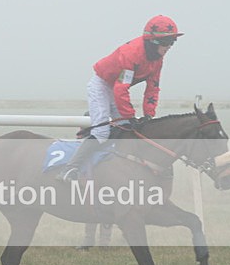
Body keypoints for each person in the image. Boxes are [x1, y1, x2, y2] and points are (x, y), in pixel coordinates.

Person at [58, 15, 183, 182]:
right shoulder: (131, 54)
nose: (170, 47)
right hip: (102, 86)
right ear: (152, 41)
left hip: (116, 88)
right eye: (167, 42)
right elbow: (121, 89)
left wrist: (148, 114)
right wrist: (130, 116)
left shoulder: (157, 60)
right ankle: (70, 169)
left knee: (127, 130)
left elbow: (152, 88)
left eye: (173, 42)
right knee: (102, 132)